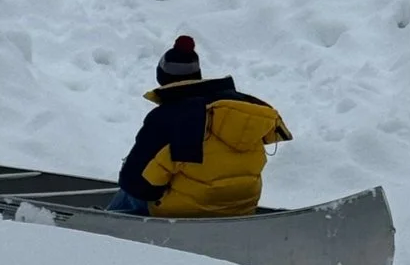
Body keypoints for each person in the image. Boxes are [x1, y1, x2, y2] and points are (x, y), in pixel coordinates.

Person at [108, 36, 291, 218]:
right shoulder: (241, 110)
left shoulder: (167, 116)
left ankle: (106, 224)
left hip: (182, 210)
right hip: (241, 205)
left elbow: (138, 185)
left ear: (162, 77)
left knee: (129, 191)